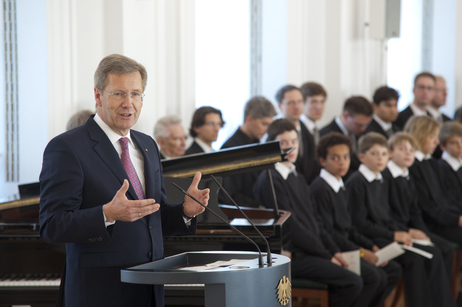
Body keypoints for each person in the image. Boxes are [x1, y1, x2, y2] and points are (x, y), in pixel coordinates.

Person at [39, 54, 210, 307]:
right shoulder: (67, 147)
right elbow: (51, 225)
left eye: (136, 94)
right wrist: (106, 214)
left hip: (149, 289)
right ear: (98, 96)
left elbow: (153, 218)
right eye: (118, 94)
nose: (128, 104)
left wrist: (185, 212)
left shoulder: (148, 145)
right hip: (99, 293)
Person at [254, 119, 377, 307]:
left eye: (294, 142)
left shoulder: (298, 177)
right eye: (284, 143)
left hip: (312, 251)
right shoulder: (271, 179)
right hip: (292, 255)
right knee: (352, 281)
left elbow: (316, 222)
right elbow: (291, 227)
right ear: (271, 145)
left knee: (370, 277)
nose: (290, 147)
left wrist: (333, 252)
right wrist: (327, 255)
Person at [346, 132, 454, 307]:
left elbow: (387, 217)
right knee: (415, 260)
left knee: (433, 253)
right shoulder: (357, 182)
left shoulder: (379, 179)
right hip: (371, 239)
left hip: (385, 234)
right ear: (362, 157)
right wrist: (395, 235)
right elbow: (360, 224)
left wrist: (403, 233)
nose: (380, 158)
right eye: (374, 154)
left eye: (383, 153)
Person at [311, 132, 401, 307]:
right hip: (334, 250)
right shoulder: (320, 189)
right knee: (374, 277)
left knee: (391, 270)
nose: (342, 162)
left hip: (347, 246)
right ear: (323, 161)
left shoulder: (339, 184)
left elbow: (349, 228)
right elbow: (329, 232)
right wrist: (360, 251)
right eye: (335, 158)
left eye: (345, 157)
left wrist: (370, 246)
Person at [383, 132, 454, 281]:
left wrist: (423, 233)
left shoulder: (407, 176)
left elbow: (414, 211)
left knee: (445, 249)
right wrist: (408, 231)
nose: (408, 153)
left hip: (410, 230)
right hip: (395, 232)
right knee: (430, 255)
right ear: (390, 153)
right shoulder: (385, 178)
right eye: (402, 149)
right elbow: (386, 214)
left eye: (411, 150)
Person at [405, 116, 462, 245]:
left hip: (444, 219)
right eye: (432, 137)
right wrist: (455, 220)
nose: (436, 142)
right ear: (420, 136)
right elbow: (426, 206)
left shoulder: (432, 163)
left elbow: (446, 198)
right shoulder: (413, 166)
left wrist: (457, 217)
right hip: (431, 223)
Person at [219, 96, 277, 207]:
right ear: (249, 119)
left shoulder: (258, 143)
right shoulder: (230, 148)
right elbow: (229, 195)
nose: (267, 130)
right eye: (264, 124)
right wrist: (259, 206)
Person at [276, 85, 320, 184]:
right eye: (291, 103)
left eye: (299, 102)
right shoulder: (274, 133)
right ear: (280, 106)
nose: (296, 107)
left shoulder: (307, 132)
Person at [320, 96, 373, 179]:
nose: (363, 129)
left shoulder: (358, 132)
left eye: (365, 125)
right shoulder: (325, 134)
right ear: (346, 115)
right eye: (359, 125)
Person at [438, 122, 462, 213]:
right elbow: (452, 200)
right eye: (454, 143)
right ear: (443, 146)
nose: (460, 146)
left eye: (461, 141)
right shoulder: (442, 167)